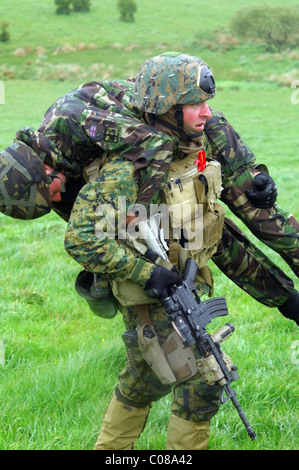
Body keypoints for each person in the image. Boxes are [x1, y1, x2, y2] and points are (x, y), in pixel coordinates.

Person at [0, 52, 298, 450]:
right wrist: (146, 268)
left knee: (146, 374)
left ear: (43, 170)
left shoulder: (98, 128)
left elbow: (186, 124)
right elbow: (86, 236)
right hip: (150, 259)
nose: (59, 200)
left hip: (162, 232)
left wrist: (249, 173)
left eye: (52, 193)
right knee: (198, 378)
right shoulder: (115, 165)